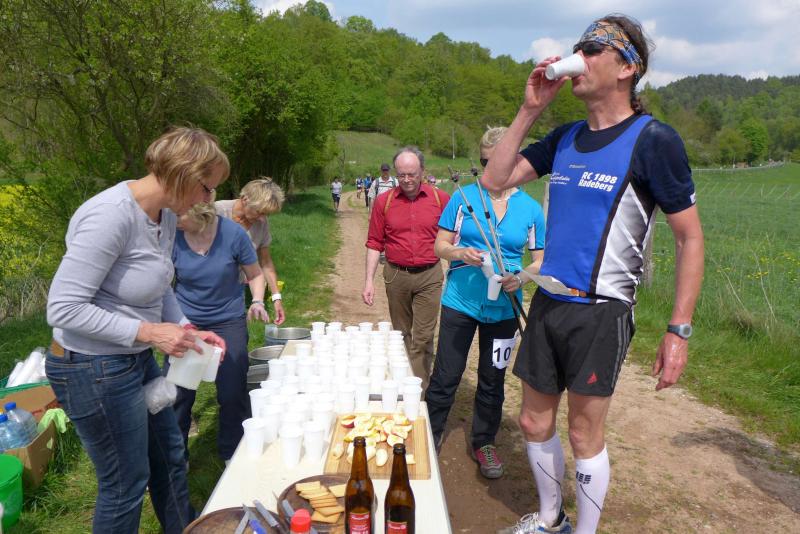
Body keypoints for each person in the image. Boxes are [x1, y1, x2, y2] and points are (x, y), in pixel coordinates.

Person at [485, 15, 704, 534]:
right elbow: (495, 180)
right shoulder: (565, 137)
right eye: (577, 48)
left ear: (628, 67)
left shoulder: (654, 140)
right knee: (533, 420)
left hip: (602, 309)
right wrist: (530, 109)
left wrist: (678, 330)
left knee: (584, 434)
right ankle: (550, 518)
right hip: (549, 300)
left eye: (591, 49)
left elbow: (689, 238)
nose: (577, 58)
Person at [45, 127, 229, 534]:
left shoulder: (164, 216)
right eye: (206, 187)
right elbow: (63, 308)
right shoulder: (110, 215)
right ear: (183, 173)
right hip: (91, 368)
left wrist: (185, 327)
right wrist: (150, 333)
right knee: (125, 484)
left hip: (132, 358)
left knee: (169, 457)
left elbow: (159, 286)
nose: (207, 199)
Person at [425, 127, 545, 480]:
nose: (491, 169)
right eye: (485, 162)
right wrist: (459, 252)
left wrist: (520, 278)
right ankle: (429, 436)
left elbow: (540, 260)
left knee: (493, 378)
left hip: (504, 307)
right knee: (446, 374)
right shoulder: (463, 198)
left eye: (498, 161)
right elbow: (440, 245)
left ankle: (484, 441)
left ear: (515, 160)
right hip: (460, 301)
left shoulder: (531, 209)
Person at [170, 202, 268, 462]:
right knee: (179, 394)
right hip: (186, 320)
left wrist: (258, 301)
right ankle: (176, 460)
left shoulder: (233, 234)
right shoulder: (171, 236)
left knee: (232, 391)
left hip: (228, 320)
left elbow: (255, 274)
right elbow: (161, 284)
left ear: (199, 212)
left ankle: (231, 454)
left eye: (177, 213)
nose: (170, 217)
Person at [363, 147, 450, 390]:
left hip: (429, 275)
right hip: (396, 276)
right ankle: (402, 383)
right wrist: (368, 281)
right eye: (401, 175)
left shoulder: (441, 199)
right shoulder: (384, 202)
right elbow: (374, 243)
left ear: (422, 171)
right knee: (400, 335)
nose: (407, 180)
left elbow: (454, 239)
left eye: (412, 174)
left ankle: (418, 392)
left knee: (423, 338)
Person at [215, 178, 286, 324]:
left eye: (266, 214)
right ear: (244, 199)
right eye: (259, 212)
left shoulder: (261, 224)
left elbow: (265, 263)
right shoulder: (217, 211)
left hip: (235, 293)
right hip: (203, 293)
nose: (262, 219)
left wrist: (276, 298)